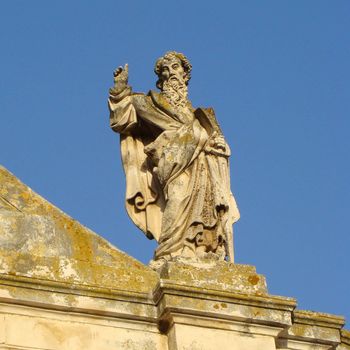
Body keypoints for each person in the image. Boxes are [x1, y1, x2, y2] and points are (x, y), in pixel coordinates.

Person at [109, 51, 239, 264]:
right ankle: (170, 251)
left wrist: (220, 144)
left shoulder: (200, 114)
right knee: (177, 199)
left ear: (185, 74)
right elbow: (122, 120)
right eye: (165, 70)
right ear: (160, 79)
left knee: (207, 209)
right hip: (172, 161)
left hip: (202, 162)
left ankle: (201, 250)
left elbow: (218, 142)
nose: (171, 73)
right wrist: (119, 90)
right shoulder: (150, 102)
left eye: (175, 68)